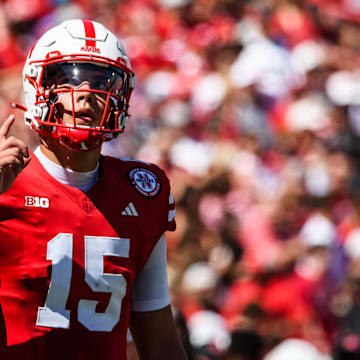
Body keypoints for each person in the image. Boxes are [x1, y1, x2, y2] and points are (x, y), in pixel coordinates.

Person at [0, 19, 188, 360]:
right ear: (36, 87)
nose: (86, 91)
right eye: (67, 78)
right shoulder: (5, 181)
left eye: (102, 80)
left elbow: (159, 338)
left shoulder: (142, 193)